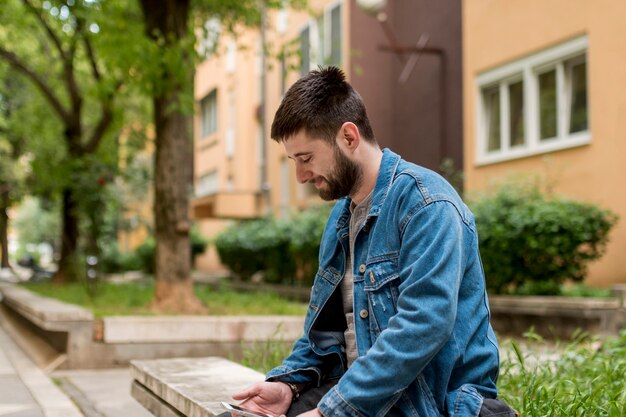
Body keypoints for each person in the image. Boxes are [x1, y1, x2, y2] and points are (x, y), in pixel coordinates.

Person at [224, 67, 515, 417]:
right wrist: (287, 384)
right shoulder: (341, 220)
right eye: (294, 161)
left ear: (349, 137)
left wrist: (330, 411)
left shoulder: (428, 205)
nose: (300, 176)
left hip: (426, 404)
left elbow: (423, 326)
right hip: (355, 396)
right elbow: (325, 336)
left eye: (306, 158)